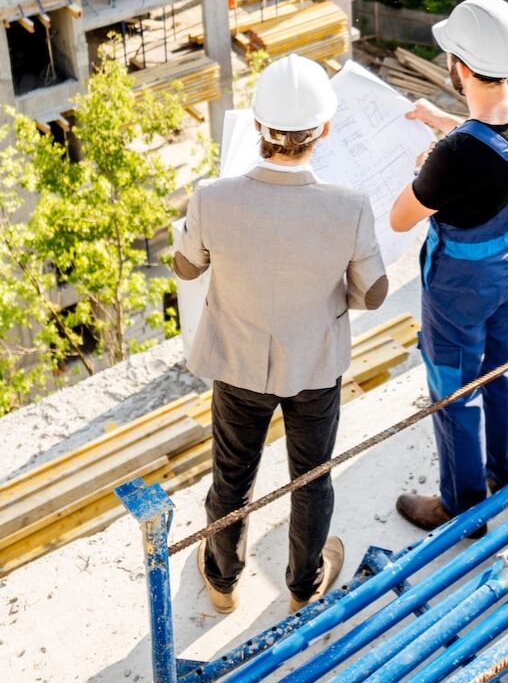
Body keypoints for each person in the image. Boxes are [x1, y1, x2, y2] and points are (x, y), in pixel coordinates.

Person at [174, 54, 387, 615]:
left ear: (257, 126)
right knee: (311, 479)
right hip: (315, 365)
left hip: (238, 364)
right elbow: (374, 293)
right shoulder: (351, 207)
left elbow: (186, 268)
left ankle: (222, 583)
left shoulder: (211, 196)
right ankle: (302, 587)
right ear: (325, 129)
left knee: (232, 475)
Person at [389, 0, 508, 532]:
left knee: (454, 388)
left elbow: (400, 218)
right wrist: (448, 125)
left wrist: (427, 166)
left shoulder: (456, 155)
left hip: (460, 287)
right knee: (497, 364)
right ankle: (500, 474)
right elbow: (497, 141)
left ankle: (462, 505)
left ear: (459, 67)